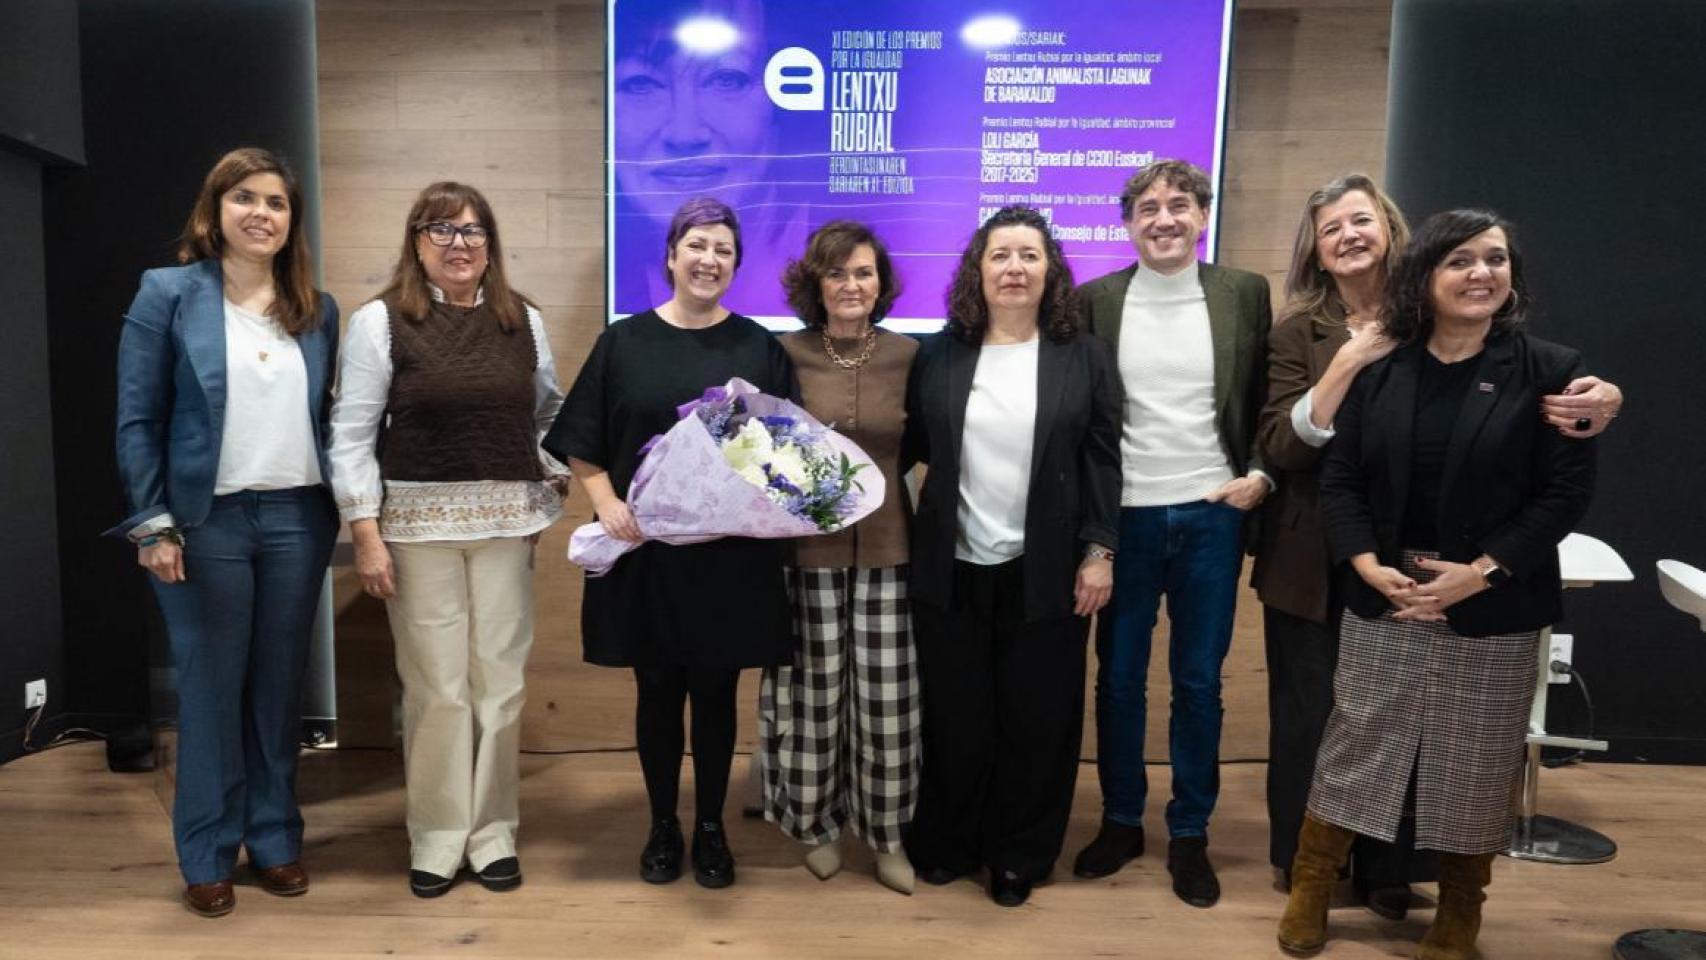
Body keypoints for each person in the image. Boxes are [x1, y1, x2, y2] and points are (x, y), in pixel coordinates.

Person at [1254, 174, 1625, 919]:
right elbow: (1301, 456)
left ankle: (1405, 878)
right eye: (1331, 230)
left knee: (1457, 748)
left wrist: (1609, 399)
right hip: (1339, 569)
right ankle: (1308, 876)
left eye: (1362, 220)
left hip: (1467, 586)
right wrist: (1350, 361)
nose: (1349, 237)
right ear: (1318, 254)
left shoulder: (1525, 356)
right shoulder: (1320, 338)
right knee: (1339, 733)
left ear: (1396, 237)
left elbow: (1562, 476)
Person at [109, 147, 340, 917]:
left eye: (276, 203)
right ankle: (206, 850)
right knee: (210, 691)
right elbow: (139, 418)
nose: (261, 214)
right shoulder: (168, 294)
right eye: (245, 198)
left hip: (297, 519)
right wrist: (153, 525)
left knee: (278, 693)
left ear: (290, 222)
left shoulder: (316, 308)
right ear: (215, 211)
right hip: (204, 523)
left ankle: (273, 839)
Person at [544, 197, 795, 890]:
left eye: (723, 250)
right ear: (671, 256)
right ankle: (663, 825)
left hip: (728, 556)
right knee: (656, 690)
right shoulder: (623, 342)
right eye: (697, 246)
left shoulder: (758, 348)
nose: (709, 259)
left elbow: (784, 457)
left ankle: (710, 828)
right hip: (647, 551)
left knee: (716, 693)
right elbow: (580, 441)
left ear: (737, 264)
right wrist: (606, 503)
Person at [329, 182, 568, 898]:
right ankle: (436, 838)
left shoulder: (523, 319)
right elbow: (350, 435)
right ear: (416, 242)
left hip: (505, 529)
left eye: (472, 231)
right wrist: (366, 533)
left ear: (490, 244)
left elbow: (549, 413)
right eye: (442, 230)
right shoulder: (379, 323)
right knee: (437, 689)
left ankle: (493, 833)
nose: (458, 244)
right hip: (417, 530)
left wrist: (548, 482)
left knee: (499, 685)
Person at [903, 205, 1122, 908]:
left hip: (1049, 570)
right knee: (958, 716)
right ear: (978, 269)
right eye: (1001, 255)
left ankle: (1018, 854)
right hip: (952, 566)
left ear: (1051, 269)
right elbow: (901, 449)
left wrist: (1099, 550)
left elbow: (1103, 460)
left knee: (1038, 721)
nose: (1015, 268)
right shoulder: (939, 352)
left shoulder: (1081, 355)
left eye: (1030, 255)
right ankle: (949, 842)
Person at [1072, 159, 1271, 908]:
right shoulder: (1097, 301)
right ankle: (1120, 820)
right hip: (1125, 518)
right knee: (1119, 678)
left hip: (1212, 513)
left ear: (1201, 215)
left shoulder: (1242, 293)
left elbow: (1259, 395)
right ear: (1127, 224)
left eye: (1179, 205)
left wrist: (1258, 471)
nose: (1164, 218)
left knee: (1198, 682)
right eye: (1148, 207)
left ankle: (1190, 831)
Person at [756, 221, 921, 894]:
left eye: (863, 273)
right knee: (813, 698)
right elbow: (759, 451)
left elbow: (923, 447)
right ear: (814, 285)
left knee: (887, 704)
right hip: (805, 555)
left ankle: (885, 835)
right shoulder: (782, 354)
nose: (851, 285)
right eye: (837, 274)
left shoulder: (911, 354)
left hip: (890, 550)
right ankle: (815, 826)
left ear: (880, 283)